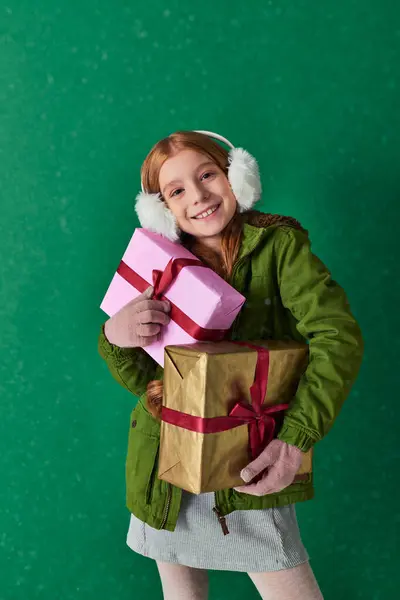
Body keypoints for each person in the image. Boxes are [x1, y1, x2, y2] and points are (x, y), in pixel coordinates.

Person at [98, 130, 363, 599]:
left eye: (208, 175)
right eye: (177, 190)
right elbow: (151, 384)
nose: (198, 196)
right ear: (161, 207)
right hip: (166, 469)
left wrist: (295, 440)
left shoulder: (278, 245)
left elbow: (337, 337)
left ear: (235, 175)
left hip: (248, 464)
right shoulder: (159, 266)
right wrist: (114, 338)